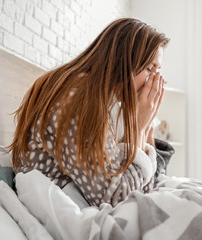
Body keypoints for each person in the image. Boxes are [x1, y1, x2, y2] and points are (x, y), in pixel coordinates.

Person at [9, 18, 174, 207]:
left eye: (158, 70)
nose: (156, 80)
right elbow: (118, 200)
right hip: (61, 205)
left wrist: (144, 128)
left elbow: (145, 189)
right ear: (123, 60)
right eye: (149, 68)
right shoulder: (77, 98)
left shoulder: (102, 101)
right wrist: (137, 127)